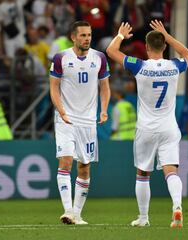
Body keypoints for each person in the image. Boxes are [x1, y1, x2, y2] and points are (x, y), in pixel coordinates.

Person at [106, 20, 188, 228]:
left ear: (146, 48)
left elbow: (111, 51)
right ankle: (177, 207)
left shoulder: (140, 66)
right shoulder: (174, 67)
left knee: (142, 174)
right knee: (171, 171)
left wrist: (120, 35)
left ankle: (144, 218)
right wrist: (167, 35)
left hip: (146, 128)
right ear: (164, 47)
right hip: (169, 128)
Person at [49, 21, 111, 225]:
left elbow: (104, 87)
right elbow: (54, 88)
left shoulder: (99, 58)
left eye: (89, 35)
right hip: (66, 119)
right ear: (73, 37)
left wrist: (103, 110)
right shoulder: (61, 58)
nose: (87, 39)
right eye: (83, 35)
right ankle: (67, 211)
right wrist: (61, 111)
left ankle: (77, 213)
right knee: (66, 161)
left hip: (88, 122)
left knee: (84, 167)